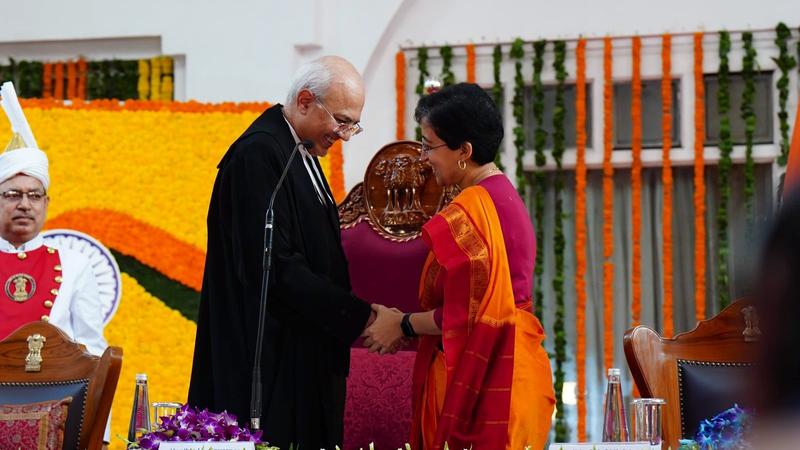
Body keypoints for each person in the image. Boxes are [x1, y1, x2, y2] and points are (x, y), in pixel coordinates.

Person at [188, 56, 385, 449]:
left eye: (352, 125)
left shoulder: (300, 152)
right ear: (307, 101)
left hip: (303, 356)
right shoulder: (259, 155)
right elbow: (276, 269)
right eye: (342, 121)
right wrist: (361, 316)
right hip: (267, 367)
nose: (345, 135)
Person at [363, 83, 555, 449]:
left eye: (428, 145)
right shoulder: (502, 195)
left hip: (492, 381)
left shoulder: (475, 209)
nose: (423, 157)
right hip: (513, 373)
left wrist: (401, 323)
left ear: (464, 150)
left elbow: (468, 315)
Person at [0, 81, 109, 445]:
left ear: (47, 204)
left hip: (54, 420)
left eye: (34, 195)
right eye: (12, 194)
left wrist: (99, 434)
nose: (24, 204)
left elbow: (92, 352)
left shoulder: (75, 264)